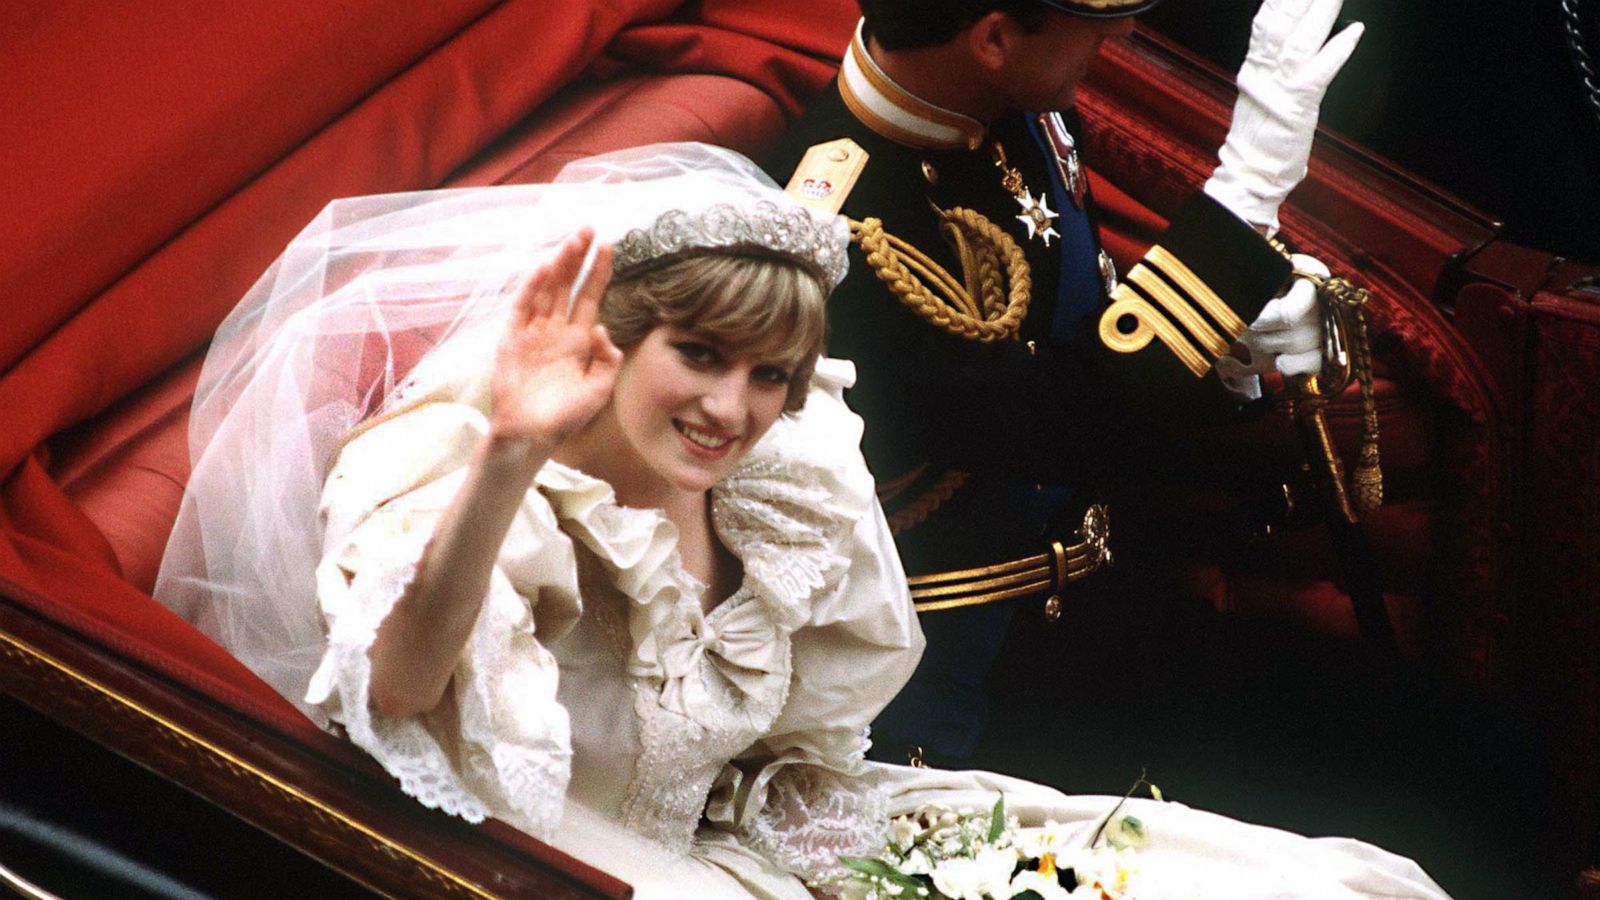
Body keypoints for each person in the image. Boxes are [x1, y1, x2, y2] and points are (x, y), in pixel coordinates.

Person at [155, 144, 1447, 897]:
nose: (733, 410)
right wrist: (508, 455)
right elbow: (400, 684)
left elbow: (795, 742)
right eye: (700, 356)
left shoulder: (788, 471)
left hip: (761, 831)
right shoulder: (463, 468)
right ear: (615, 335)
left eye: (769, 375)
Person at [764, 0, 1364, 764]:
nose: (1122, 32)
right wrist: (1244, 197)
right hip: (958, 694)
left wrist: (1228, 344)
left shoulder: (1008, 107)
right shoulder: (833, 239)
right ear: (992, 36)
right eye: (1095, 17)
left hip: (1099, 604)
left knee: (1469, 753)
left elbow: (1074, 336)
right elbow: (1058, 422)